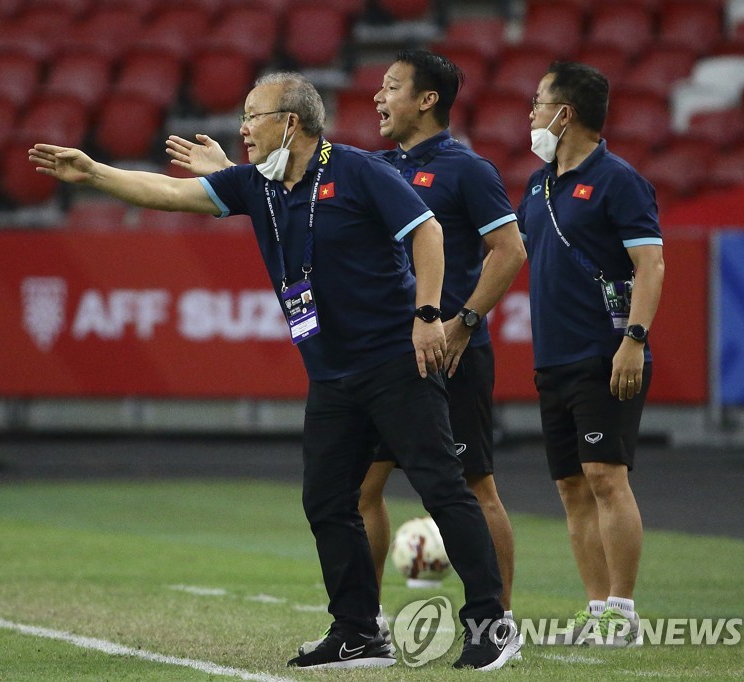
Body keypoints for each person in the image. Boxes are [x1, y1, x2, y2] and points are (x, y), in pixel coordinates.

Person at [30, 72, 518, 671]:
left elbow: (430, 233)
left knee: (444, 488)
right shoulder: (257, 186)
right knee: (326, 500)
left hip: (394, 360)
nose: (241, 129)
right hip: (333, 376)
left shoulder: (360, 170)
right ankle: (359, 632)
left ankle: (491, 624)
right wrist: (95, 173)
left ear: (291, 122)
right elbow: (171, 193)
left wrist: (427, 315)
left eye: (252, 115)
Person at [166, 49, 527, 651]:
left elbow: (509, 251)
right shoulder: (377, 163)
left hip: (441, 344)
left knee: (464, 488)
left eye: (391, 87)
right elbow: (295, 191)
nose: (378, 98)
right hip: (365, 359)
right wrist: (236, 169)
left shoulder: (467, 170)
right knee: (354, 493)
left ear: (428, 100)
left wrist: (455, 322)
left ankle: (496, 619)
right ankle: (365, 625)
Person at [517, 62, 664, 646]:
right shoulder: (538, 183)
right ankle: (596, 606)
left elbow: (650, 264)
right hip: (554, 356)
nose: (530, 113)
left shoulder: (618, 180)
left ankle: (623, 612)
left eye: (538, 102)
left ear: (566, 112)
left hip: (607, 355)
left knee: (606, 476)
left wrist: (634, 338)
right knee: (572, 486)